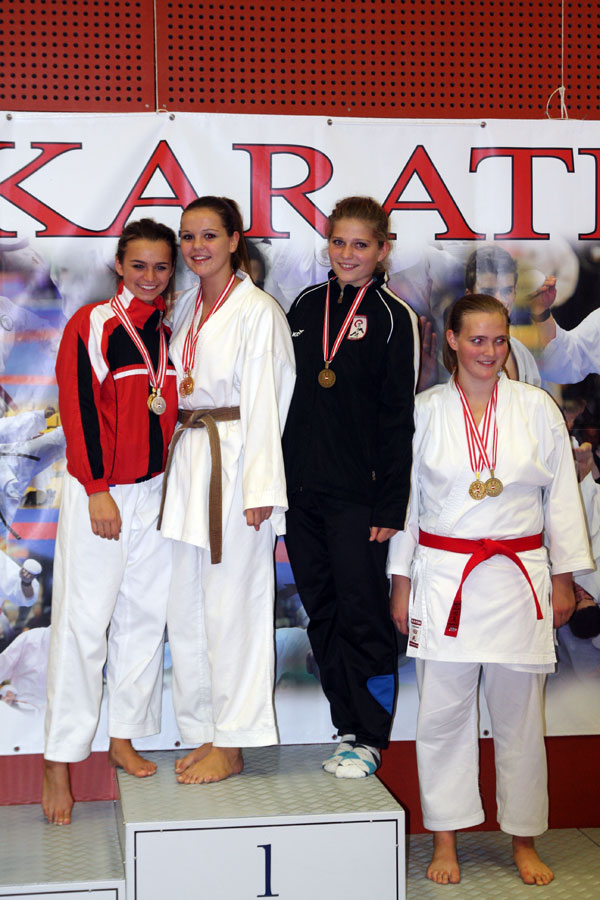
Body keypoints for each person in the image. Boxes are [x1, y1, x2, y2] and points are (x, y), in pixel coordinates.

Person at [388, 294, 592, 885]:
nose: (490, 351)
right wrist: (401, 581)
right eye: (476, 340)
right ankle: (444, 839)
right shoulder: (424, 411)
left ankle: (523, 839)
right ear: (452, 341)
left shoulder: (536, 408)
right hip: (444, 577)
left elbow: (561, 500)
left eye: (499, 340)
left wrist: (564, 579)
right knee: (442, 719)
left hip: (516, 578)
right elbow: (406, 504)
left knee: (520, 720)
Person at [42, 218, 179, 825]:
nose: (150, 277)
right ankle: (58, 760)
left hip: (154, 492)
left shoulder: (170, 332)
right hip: (101, 492)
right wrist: (98, 490)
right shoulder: (92, 323)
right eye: (139, 265)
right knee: (83, 625)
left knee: (143, 618)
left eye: (161, 267)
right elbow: (76, 409)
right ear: (119, 265)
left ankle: (123, 735)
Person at [159, 196, 295, 785]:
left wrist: (260, 486)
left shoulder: (257, 311)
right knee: (189, 606)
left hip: (236, 465)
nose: (197, 247)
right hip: (191, 456)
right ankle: (205, 729)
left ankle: (235, 738)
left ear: (235, 240)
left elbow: (269, 401)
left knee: (234, 606)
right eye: (188, 236)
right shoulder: (187, 306)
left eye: (209, 235)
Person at [283, 196, 420, 778]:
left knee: (363, 613)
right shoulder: (305, 305)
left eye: (360, 244)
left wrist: (390, 504)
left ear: (382, 250)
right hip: (301, 492)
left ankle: (370, 735)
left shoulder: (393, 317)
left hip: (359, 498)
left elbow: (397, 417)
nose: (347, 253)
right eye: (338, 242)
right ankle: (346, 726)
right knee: (321, 612)